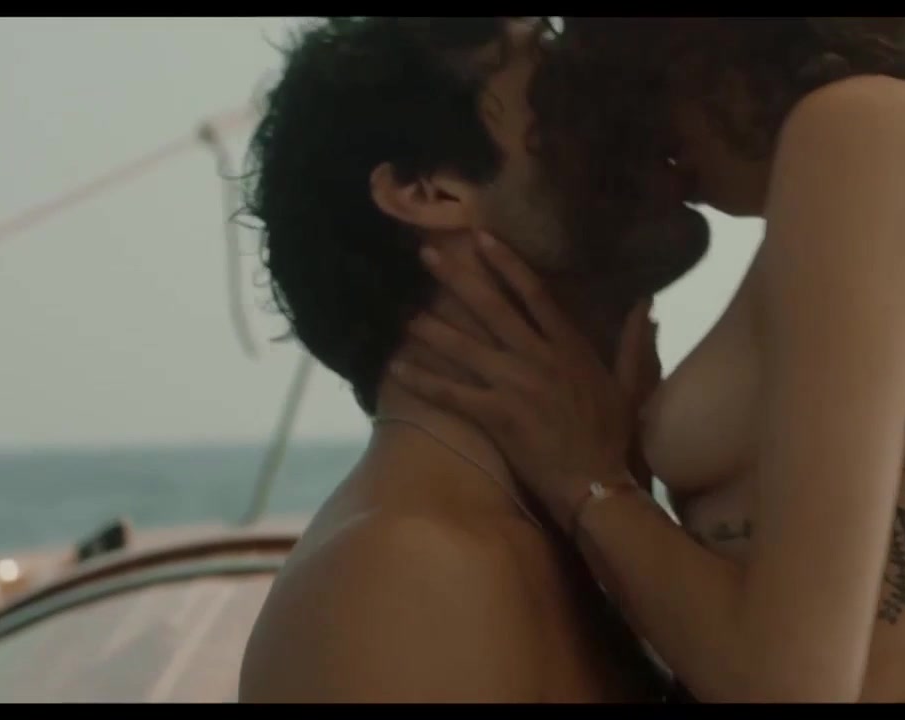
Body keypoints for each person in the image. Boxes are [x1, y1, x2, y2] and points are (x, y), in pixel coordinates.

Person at [391, 17, 905, 703]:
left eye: (645, 83)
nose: (650, 147)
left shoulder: (856, 131)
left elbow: (790, 687)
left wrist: (588, 478)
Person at [236, 17, 706, 703]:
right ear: (430, 189)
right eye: (553, 77)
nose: (625, 100)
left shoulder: (569, 530)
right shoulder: (396, 575)